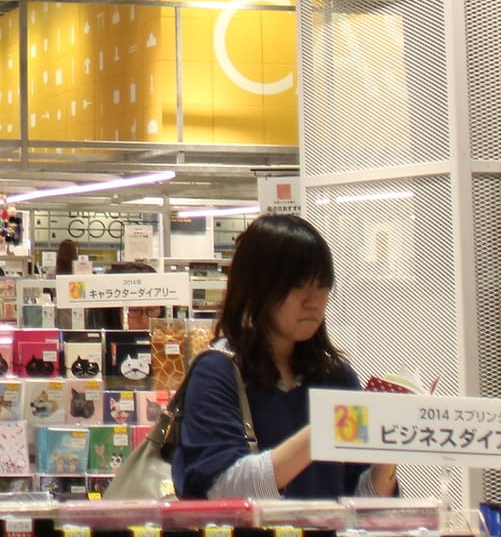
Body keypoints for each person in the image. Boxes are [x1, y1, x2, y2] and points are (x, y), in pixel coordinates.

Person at [169, 213, 396, 501]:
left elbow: (360, 498)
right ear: (258, 288)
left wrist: (392, 445)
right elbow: (222, 488)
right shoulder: (217, 372)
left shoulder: (337, 377)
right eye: (297, 285)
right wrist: (325, 430)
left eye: (322, 285)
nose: (313, 301)